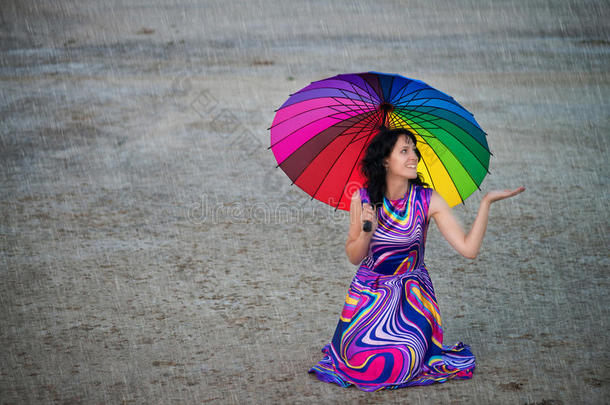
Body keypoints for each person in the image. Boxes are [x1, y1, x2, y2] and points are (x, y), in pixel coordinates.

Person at [308, 127, 526, 391]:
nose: (414, 156)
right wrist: (367, 230)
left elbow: (469, 249)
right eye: (404, 150)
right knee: (361, 362)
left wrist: (487, 203)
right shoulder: (362, 198)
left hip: (411, 297)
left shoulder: (428, 199)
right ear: (385, 160)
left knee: (402, 360)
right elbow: (354, 257)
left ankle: (413, 341)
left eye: (413, 150)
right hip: (367, 296)